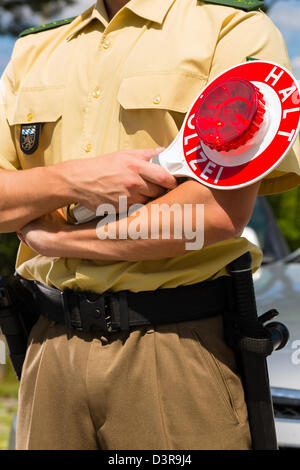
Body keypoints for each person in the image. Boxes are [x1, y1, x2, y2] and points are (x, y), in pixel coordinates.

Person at [0, 0, 299, 450]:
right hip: (49, 351)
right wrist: (76, 180)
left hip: (173, 350)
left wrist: (56, 237)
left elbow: (213, 214)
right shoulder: (36, 48)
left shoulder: (233, 28)